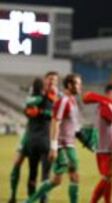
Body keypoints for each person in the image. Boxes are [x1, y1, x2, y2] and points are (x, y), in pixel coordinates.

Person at [25, 74, 82, 203]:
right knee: (71, 177)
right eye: (78, 84)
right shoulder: (64, 101)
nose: (80, 87)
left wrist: (82, 137)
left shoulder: (73, 101)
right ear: (69, 85)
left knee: (59, 180)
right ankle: (29, 201)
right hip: (62, 146)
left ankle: (28, 201)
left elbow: (73, 125)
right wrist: (54, 147)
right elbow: (55, 122)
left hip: (70, 145)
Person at [8, 71, 59, 203]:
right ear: (45, 80)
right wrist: (29, 111)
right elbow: (27, 107)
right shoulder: (36, 92)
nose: (52, 82)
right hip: (30, 134)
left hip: (44, 136)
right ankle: (13, 196)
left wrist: (42, 112)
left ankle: (41, 199)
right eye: (50, 79)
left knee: (44, 172)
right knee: (18, 164)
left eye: (54, 80)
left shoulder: (56, 96)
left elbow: (56, 115)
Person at [83, 83, 112, 203]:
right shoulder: (106, 105)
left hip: (104, 147)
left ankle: (108, 201)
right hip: (106, 149)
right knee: (107, 177)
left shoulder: (105, 104)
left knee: (109, 178)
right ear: (110, 92)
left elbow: (107, 126)